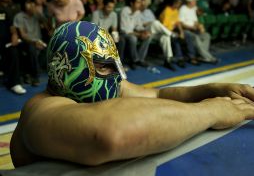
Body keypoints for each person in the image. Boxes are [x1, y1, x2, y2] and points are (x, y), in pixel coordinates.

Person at [10, 21, 254, 168]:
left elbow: (158, 96)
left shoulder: (97, 89)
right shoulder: (40, 111)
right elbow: (111, 133)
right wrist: (212, 111)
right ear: (67, 66)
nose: (118, 76)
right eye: (105, 65)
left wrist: (212, 90)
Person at [13, 0, 46, 86]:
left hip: (39, 40)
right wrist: (34, 42)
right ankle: (35, 76)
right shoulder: (19, 16)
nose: (31, 6)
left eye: (32, 4)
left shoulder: (37, 14)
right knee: (31, 48)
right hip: (26, 42)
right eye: (28, 4)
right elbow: (23, 35)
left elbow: (48, 26)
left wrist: (40, 14)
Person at [159, 0, 200, 67]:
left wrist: (181, 32)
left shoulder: (176, 10)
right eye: (178, 3)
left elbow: (178, 23)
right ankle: (179, 58)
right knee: (176, 38)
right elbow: (165, 27)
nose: (179, 5)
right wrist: (176, 33)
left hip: (175, 30)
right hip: (166, 31)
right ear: (174, 3)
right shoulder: (166, 11)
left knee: (188, 35)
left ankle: (191, 56)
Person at [179, 0, 218, 64]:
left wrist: (199, 26)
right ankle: (210, 58)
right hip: (186, 30)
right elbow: (181, 23)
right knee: (196, 38)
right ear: (190, 1)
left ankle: (203, 56)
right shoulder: (183, 9)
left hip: (194, 29)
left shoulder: (193, 9)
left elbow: (195, 21)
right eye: (194, 1)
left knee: (206, 35)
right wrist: (191, 27)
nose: (195, 2)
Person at [0, 0, 25, 94]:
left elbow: (11, 26)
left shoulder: (6, 10)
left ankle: (14, 83)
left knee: (13, 51)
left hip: (5, 42)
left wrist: (14, 34)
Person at [119, 0, 152, 69]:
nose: (140, 4)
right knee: (133, 38)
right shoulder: (125, 10)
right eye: (138, 2)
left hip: (132, 32)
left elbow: (138, 26)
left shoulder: (137, 12)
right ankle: (134, 60)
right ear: (131, 3)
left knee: (148, 36)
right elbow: (125, 29)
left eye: (140, 2)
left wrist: (144, 31)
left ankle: (140, 59)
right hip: (123, 33)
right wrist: (139, 34)